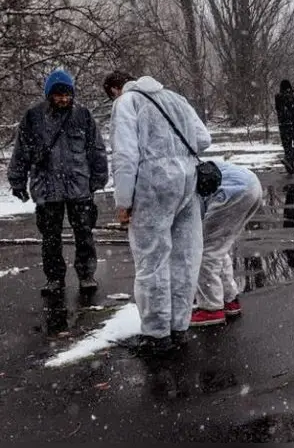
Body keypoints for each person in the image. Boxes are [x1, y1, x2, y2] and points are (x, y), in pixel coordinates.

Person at [104, 70, 212, 356]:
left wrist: (123, 202)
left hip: (152, 185)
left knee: (152, 260)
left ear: (116, 89)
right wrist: (175, 149)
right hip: (188, 182)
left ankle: (156, 333)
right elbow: (203, 139)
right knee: (184, 258)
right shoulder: (175, 98)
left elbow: (125, 156)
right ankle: (179, 326)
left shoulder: (126, 103)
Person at [8, 69, 108, 295]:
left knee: (84, 233)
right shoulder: (33, 117)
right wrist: (17, 181)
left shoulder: (83, 116)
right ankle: (54, 278)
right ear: (49, 95)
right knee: (50, 237)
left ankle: (86, 275)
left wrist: (99, 178)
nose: (63, 99)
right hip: (46, 187)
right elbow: (21, 151)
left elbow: (96, 149)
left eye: (67, 94)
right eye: (58, 95)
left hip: (79, 186)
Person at [190, 161, 263, 327]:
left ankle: (211, 309)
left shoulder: (173, 177)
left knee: (204, 250)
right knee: (218, 248)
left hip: (233, 190)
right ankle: (229, 299)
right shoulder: (183, 164)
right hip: (249, 183)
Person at [274, 80, 294, 175]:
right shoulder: (290, 96)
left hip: (283, 125)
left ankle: (290, 167)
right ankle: (289, 160)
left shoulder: (278, 97)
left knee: (287, 147)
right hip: (293, 124)